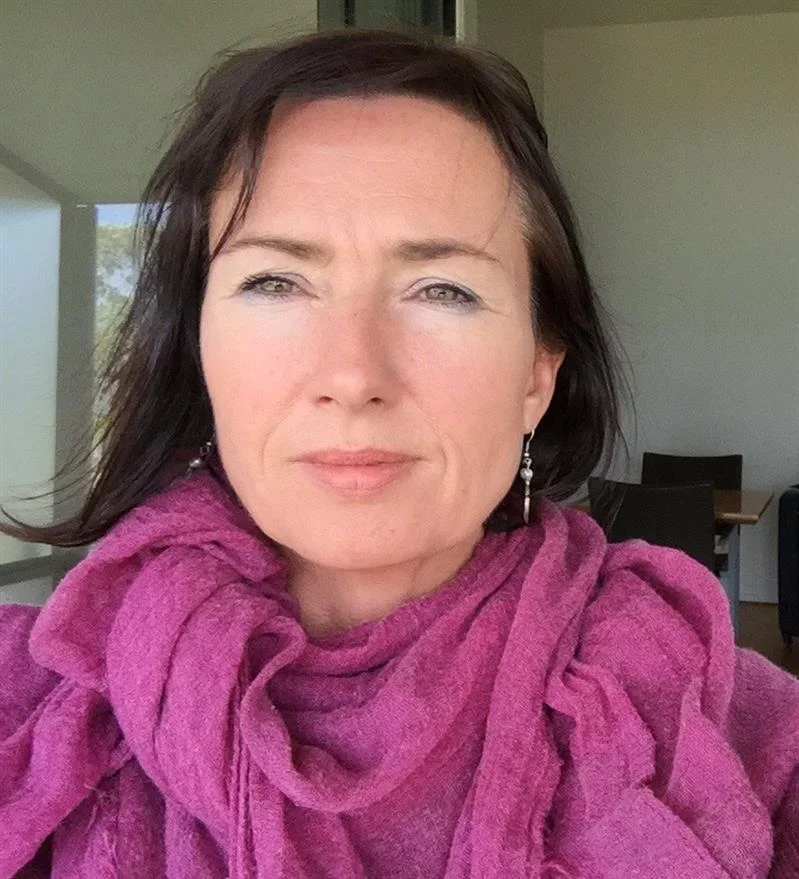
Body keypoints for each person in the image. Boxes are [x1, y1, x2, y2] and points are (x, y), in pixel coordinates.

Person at [1, 29, 797, 879]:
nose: (352, 375)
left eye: (442, 289)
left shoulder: (738, 737)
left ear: (536, 374)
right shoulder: (32, 698)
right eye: (275, 282)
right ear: (197, 350)